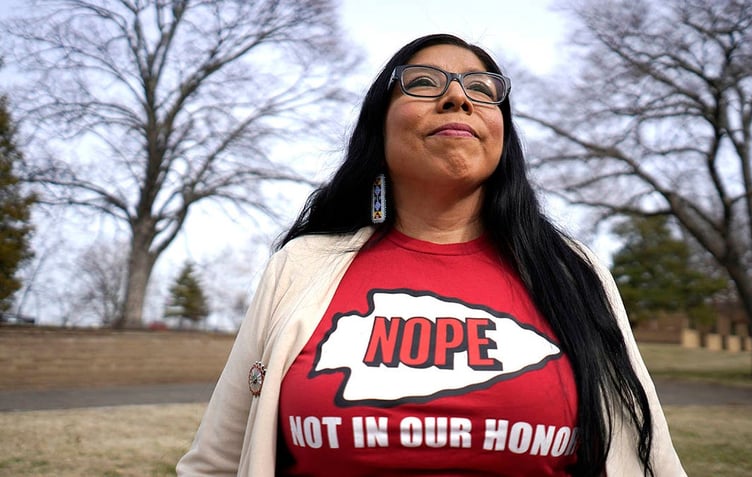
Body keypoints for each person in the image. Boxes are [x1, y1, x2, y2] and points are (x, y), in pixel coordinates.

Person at [177, 33, 686, 476]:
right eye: (423, 83)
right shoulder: (300, 266)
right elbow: (217, 463)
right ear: (379, 127)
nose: (458, 99)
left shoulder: (572, 271)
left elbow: (651, 459)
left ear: (502, 136)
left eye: (482, 90)